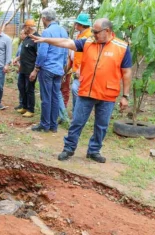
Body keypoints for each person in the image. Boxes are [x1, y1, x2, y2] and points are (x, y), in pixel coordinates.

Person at [30, 18, 132, 163]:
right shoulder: (88, 42)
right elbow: (67, 43)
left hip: (107, 94)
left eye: (96, 32)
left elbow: (126, 72)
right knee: (77, 122)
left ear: (107, 31)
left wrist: (125, 96)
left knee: (101, 125)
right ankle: (69, 148)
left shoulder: (122, 47)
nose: (93, 34)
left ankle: (94, 151)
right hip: (86, 92)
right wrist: (46, 39)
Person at [30, 8, 68, 132]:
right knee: (55, 97)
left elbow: (42, 53)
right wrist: (63, 67)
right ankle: (53, 125)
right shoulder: (63, 31)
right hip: (58, 69)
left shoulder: (47, 32)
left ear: (45, 18)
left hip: (47, 69)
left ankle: (45, 125)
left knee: (46, 98)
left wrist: (36, 68)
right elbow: (66, 51)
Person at [13, 20, 40, 118]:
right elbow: (25, 52)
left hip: (30, 69)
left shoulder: (36, 38)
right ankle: (24, 106)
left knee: (29, 89)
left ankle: (30, 109)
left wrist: (36, 70)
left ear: (29, 27)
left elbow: (39, 55)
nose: (23, 29)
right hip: (22, 68)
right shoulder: (27, 38)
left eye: (25, 27)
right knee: (21, 87)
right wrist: (17, 58)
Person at [71, 13, 93, 112]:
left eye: (77, 23)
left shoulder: (88, 36)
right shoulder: (80, 35)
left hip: (83, 70)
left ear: (81, 25)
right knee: (76, 89)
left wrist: (80, 68)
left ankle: (78, 111)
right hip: (77, 68)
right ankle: (76, 110)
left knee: (76, 89)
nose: (75, 25)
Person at [13, 30, 26, 111]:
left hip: (24, 68)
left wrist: (19, 65)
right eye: (20, 33)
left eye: (22, 34)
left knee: (24, 86)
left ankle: (24, 104)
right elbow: (18, 55)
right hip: (19, 68)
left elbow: (24, 57)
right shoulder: (22, 43)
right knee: (20, 86)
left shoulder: (27, 44)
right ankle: (21, 103)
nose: (20, 35)